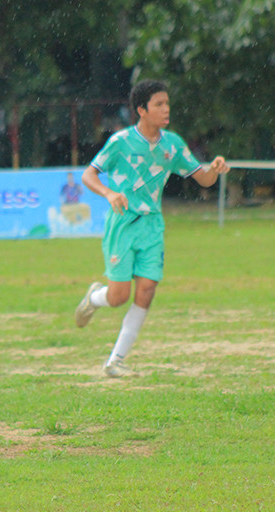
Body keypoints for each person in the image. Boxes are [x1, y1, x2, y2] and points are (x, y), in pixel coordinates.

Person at [73, 80, 229, 378]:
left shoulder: (173, 145)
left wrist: (215, 169)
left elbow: (204, 179)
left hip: (152, 226)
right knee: (118, 297)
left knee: (146, 290)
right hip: (123, 224)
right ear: (142, 110)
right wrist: (109, 193)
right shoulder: (120, 142)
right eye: (159, 104)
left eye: (167, 103)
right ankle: (94, 298)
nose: (166, 109)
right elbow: (88, 175)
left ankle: (115, 361)